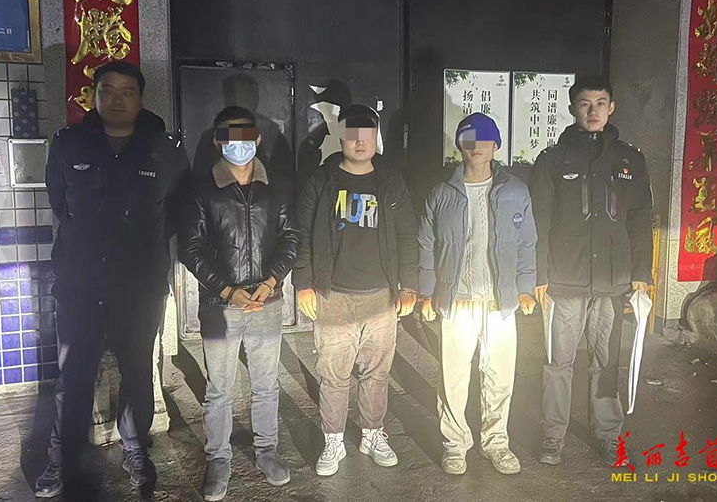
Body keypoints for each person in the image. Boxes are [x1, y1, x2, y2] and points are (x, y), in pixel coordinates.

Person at [36, 61, 190, 497]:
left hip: (138, 287)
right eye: (108, 90)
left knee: (138, 373)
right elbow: (60, 202)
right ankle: (61, 458)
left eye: (127, 91)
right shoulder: (69, 144)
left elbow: (177, 210)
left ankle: (136, 448)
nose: (117, 99)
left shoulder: (164, 148)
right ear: (95, 95)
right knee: (74, 375)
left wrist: (140, 247)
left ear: (141, 99)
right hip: (81, 285)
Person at [530, 75, 653, 466]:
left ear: (612, 107)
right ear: (572, 108)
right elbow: (539, 221)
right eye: (585, 103)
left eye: (601, 103)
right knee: (558, 363)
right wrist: (539, 273)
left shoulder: (630, 159)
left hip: (613, 281)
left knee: (607, 362)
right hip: (565, 279)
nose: (593, 110)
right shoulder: (553, 160)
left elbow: (640, 218)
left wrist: (642, 271)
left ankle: (609, 435)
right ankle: (553, 436)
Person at [180, 106, 299, 499]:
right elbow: (191, 248)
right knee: (220, 389)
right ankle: (218, 458)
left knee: (266, 384)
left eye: (246, 136)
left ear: (257, 139)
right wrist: (227, 290)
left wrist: (271, 281)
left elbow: (290, 237)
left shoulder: (275, 187)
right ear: (219, 142)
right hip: (222, 306)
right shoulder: (202, 190)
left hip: (268, 300)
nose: (239, 144)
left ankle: (267, 451)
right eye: (230, 137)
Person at [293, 104, 419, 476]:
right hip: (332, 295)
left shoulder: (390, 180)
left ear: (375, 137)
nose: (360, 141)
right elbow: (301, 233)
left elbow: (407, 234)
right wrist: (303, 282)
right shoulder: (322, 180)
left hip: (380, 295)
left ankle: (372, 433)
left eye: (367, 134)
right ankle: (333, 439)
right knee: (333, 373)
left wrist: (410, 284)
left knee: (377, 372)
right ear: (342, 137)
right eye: (352, 134)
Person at [418, 112, 537, 475]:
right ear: (459, 146)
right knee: (453, 379)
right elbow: (427, 244)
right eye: (468, 140)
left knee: (499, 378)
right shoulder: (441, 193)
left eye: (484, 139)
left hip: (501, 302)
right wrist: (427, 293)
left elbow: (527, 242)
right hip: (457, 301)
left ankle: (496, 443)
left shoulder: (516, 190)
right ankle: (455, 445)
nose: (476, 147)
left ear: (496, 145)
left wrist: (525, 288)